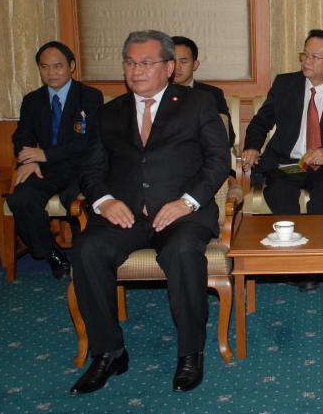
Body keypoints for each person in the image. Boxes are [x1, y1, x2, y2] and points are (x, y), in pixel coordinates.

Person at [69, 30, 229, 395]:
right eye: (129, 62)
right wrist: (104, 201)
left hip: (182, 213)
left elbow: (218, 161)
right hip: (124, 214)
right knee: (87, 249)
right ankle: (109, 352)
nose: (136, 70)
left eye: (146, 62)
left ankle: (190, 352)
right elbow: (91, 170)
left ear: (169, 67)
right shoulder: (109, 113)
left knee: (182, 251)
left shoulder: (198, 104)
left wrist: (186, 201)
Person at [241, 29, 323, 292]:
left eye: (314, 57)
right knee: (281, 193)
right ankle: (293, 262)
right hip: (288, 164)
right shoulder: (285, 84)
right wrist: (252, 146)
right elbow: (261, 122)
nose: (306, 61)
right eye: (304, 54)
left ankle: (311, 265)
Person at [6, 41, 103, 279]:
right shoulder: (32, 100)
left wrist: (46, 154)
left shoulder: (90, 96)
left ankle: (84, 256)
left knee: (76, 201)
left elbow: (90, 141)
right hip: (46, 170)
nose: (51, 73)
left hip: (81, 167)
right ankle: (50, 252)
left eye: (57, 66)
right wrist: (28, 159)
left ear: (71, 66)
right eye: (44, 67)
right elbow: (21, 136)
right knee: (20, 198)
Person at [171, 35, 236, 147]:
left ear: (195, 65)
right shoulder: (154, 93)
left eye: (183, 61)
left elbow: (227, 137)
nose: (177, 67)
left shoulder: (212, 94)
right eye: (172, 61)